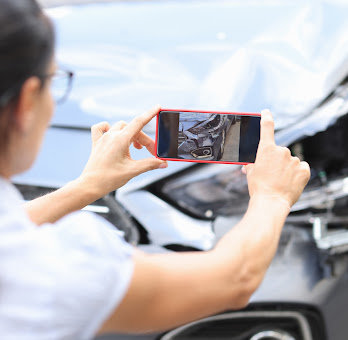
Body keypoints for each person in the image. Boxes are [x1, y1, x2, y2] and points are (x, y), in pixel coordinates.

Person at [0, 0, 310, 338]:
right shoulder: (53, 267)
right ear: (27, 101)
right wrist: (272, 196)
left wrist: (87, 186)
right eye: (55, 80)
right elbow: (234, 279)